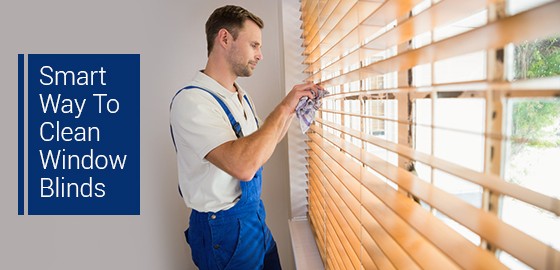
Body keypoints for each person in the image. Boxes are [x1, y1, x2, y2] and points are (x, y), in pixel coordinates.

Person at [170, 5, 323, 270]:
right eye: (254, 45)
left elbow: (265, 141)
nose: (260, 55)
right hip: (222, 229)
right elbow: (244, 165)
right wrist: (285, 107)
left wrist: (295, 110)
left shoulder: (240, 95)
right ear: (225, 39)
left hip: (253, 218)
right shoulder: (193, 102)